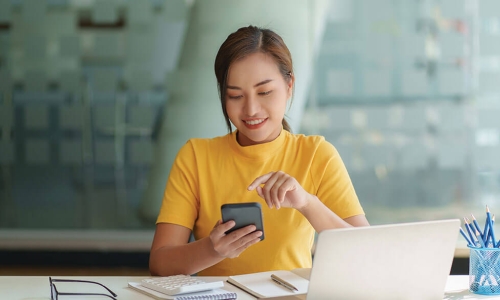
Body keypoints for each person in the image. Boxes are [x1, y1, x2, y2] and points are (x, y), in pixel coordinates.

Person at [149, 25, 369, 277]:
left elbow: (364, 252)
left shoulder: (317, 155)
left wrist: (307, 203)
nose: (251, 110)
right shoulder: (196, 157)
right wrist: (212, 249)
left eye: (264, 92)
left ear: (289, 85)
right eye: (235, 96)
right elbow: (160, 262)